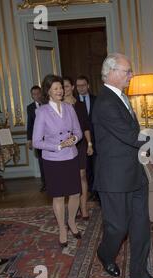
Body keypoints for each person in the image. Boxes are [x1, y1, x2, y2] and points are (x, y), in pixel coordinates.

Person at [92, 53, 153, 278]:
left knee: (141, 225)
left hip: (135, 173)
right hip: (114, 178)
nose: (131, 75)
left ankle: (139, 272)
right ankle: (105, 253)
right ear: (111, 72)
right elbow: (131, 136)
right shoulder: (104, 102)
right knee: (118, 226)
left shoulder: (122, 97)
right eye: (127, 71)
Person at [33, 75, 83, 248]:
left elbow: (79, 132)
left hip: (71, 156)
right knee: (59, 196)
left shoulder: (69, 108)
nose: (60, 91)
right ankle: (62, 228)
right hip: (53, 159)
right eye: (55, 88)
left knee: (75, 193)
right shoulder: (42, 112)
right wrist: (59, 146)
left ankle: (71, 221)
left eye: (60, 87)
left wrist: (74, 139)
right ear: (48, 91)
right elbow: (36, 142)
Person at [63, 77, 93, 220]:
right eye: (63, 87)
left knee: (82, 175)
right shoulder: (59, 106)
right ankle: (73, 209)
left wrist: (89, 144)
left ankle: (84, 208)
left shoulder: (80, 105)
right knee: (70, 177)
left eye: (67, 86)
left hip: (80, 144)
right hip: (65, 146)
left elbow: (86, 126)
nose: (65, 89)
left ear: (72, 87)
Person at [75, 75, 97, 201]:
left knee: (95, 166)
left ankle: (95, 191)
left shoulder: (96, 99)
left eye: (83, 85)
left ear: (88, 86)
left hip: (95, 138)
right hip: (80, 141)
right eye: (78, 86)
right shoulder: (74, 102)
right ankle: (86, 192)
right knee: (84, 169)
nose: (81, 88)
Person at [26, 85, 46, 192]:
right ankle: (44, 183)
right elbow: (30, 125)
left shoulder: (47, 104)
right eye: (34, 94)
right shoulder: (30, 108)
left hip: (49, 138)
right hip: (37, 139)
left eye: (38, 93)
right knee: (41, 162)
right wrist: (29, 139)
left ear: (41, 93)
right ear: (32, 96)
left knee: (49, 161)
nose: (37, 96)